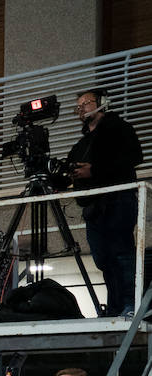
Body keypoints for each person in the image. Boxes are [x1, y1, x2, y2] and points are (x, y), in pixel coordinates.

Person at [66, 89, 144, 317]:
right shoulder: (82, 144)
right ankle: (115, 307)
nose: (81, 108)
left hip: (118, 200)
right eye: (78, 105)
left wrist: (95, 171)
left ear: (102, 103)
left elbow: (133, 157)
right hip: (93, 207)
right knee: (103, 260)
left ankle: (131, 304)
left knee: (122, 254)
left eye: (86, 103)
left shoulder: (120, 129)